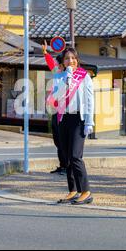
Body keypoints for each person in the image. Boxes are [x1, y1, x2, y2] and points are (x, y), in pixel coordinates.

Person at [45, 46, 95, 205]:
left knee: (75, 156)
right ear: (63, 61)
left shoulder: (84, 76)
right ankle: (73, 190)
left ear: (77, 60)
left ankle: (86, 191)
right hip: (63, 118)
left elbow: (89, 100)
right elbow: (57, 97)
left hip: (78, 119)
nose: (70, 61)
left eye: (73, 58)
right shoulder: (59, 76)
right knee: (66, 157)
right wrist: (66, 78)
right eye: (67, 58)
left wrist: (89, 121)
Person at [42, 41, 67, 175]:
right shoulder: (58, 73)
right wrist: (46, 53)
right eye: (57, 64)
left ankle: (67, 166)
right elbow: (51, 63)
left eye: (59, 64)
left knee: (63, 141)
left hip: (64, 112)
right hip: (55, 111)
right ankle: (62, 165)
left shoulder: (69, 76)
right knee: (57, 141)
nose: (57, 66)